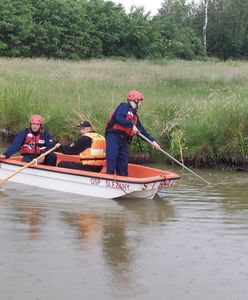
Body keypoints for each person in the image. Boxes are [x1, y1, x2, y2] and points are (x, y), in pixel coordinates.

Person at [105, 90, 160, 176]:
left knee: (123, 162)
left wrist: (152, 141)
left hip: (123, 139)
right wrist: (131, 125)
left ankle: (122, 179)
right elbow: (119, 118)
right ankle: (109, 177)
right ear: (135, 100)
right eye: (140, 101)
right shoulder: (123, 107)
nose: (141, 104)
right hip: (113, 136)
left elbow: (141, 130)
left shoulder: (135, 116)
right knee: (112, 158)